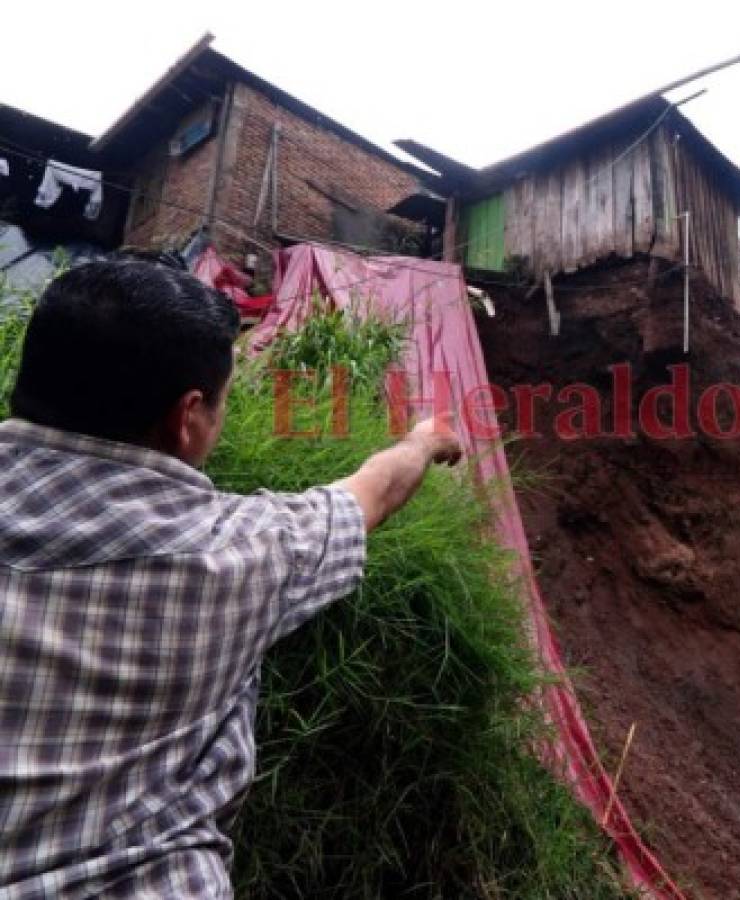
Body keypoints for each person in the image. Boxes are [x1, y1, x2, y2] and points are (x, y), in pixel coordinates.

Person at [0, 260, 461, 898]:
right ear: (187, 415)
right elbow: (371, 493)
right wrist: (425, 440)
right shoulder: (238, 556)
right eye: (223, 400)